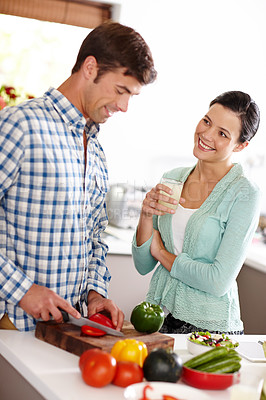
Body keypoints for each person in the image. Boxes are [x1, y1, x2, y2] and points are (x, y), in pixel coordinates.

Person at [0, 21, 157, 331]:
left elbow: (94, 237)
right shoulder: (21, 125)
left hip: (69, 329)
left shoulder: (96, 150)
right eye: (120, 90)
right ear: (90, 68)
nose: (124, 106)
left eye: (132, 96)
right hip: (16, 326)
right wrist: (22, 291)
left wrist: (97, 292)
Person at [132, 91, 261, 335]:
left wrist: (161, 253)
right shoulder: (173, 178)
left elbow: (217, 281)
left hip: (210, 330)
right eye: (206, 121)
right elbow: (143, 264)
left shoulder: (244, 193)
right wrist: (146, 215)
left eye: (223, 133)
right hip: (160, 316)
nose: (206, 135)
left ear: (241, 145)